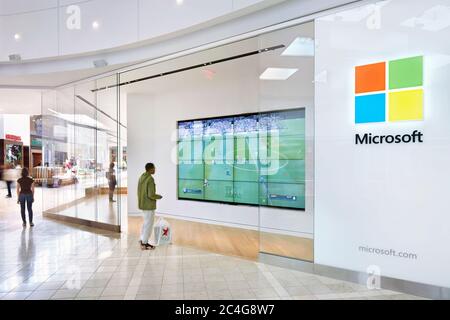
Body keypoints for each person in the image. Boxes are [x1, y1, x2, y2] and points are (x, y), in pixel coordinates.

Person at [137, 163, 162, 250]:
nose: (155, 170)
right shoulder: (150, 179)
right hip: (149, 205)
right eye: (154, 168)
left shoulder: (142, 177)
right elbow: (151, 194)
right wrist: (159, 196)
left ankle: (142, 239)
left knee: (145, 223)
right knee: (149, 224)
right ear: (150, 169)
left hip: (142, 204)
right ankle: (145, 243)